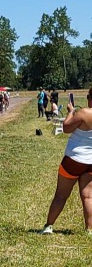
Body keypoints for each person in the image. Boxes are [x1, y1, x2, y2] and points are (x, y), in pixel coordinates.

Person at [42, 87, 92, 234]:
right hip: (90, 163)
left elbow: (66, 128)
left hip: (74, 160)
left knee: (61, 195)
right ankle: (89, 230)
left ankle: (48, 226)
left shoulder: (84, 113)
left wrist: (71, 111)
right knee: (88, 196)